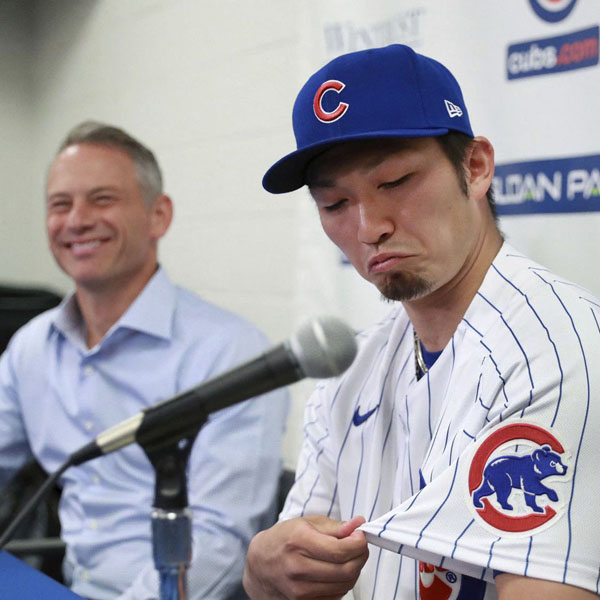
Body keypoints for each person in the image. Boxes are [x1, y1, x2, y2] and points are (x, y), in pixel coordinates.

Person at [243, 44, 600, 599]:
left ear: (475, 168)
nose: (369, 228)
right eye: (335, 204)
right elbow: (293, 577)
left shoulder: (556, 348)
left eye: (394, 182)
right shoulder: (349, 369)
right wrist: (262, 572)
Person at [0, 121, 289, 599]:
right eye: (60, 204)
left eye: (102, 199)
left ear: (159, 216)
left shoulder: (231, 354)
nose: (77, 220)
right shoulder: (31, 347)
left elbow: (218, 544)